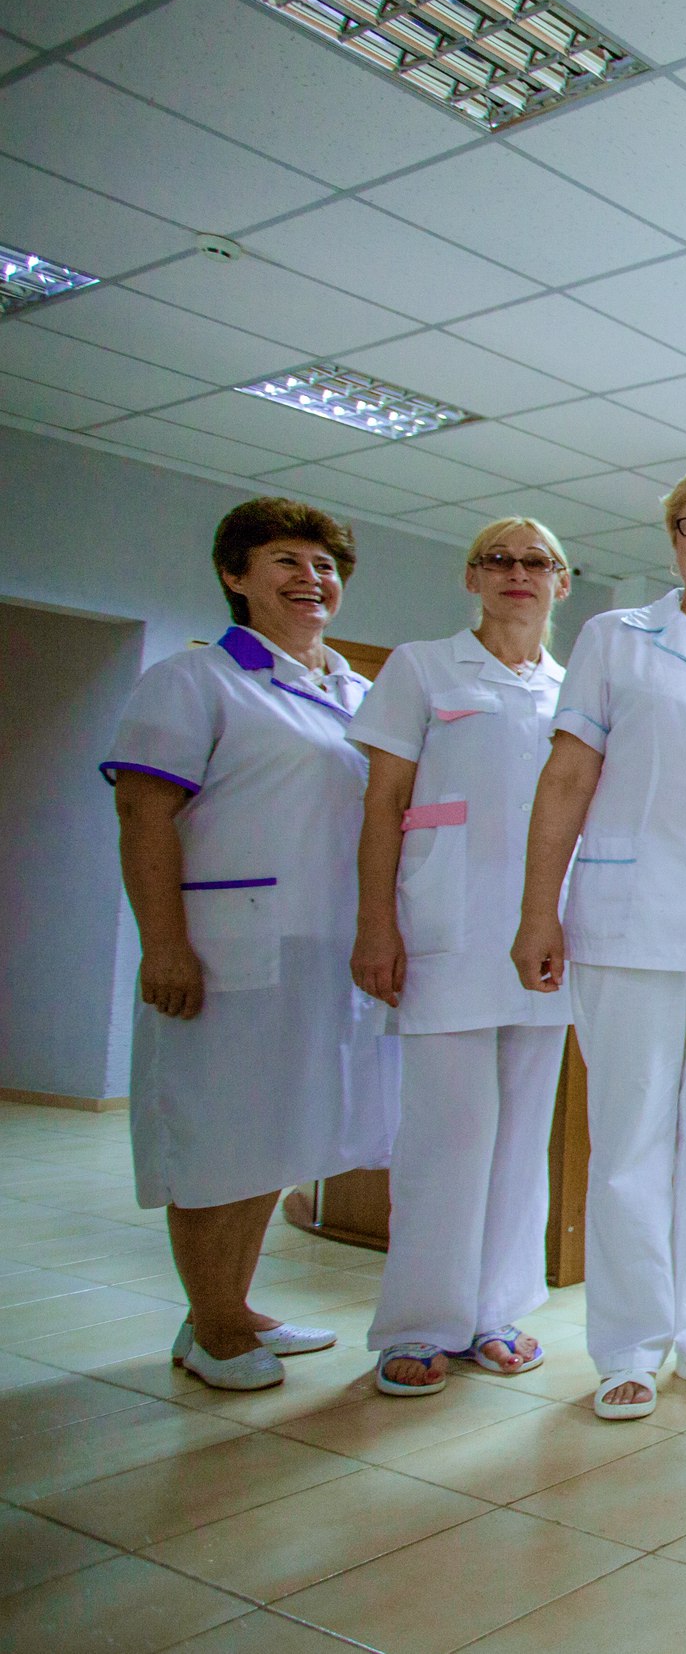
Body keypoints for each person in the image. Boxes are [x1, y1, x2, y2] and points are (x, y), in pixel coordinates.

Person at [513, 463, 686, 1422]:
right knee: (630, 1142)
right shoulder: (616, 640)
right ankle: (629, 1345)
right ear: (673, 540)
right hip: (629, 922)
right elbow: (566, 779)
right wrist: (538, 909)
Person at [102, 497, 393, 1391]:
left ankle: (228, 1303)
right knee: (215, 1134)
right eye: (286, 561)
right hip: (225, 950)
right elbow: (143, 814)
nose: (312, 579)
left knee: (275, 1132)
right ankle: (215, 1328)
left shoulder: (356, 694)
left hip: (318, 948)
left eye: (325, 566)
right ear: (235, 575)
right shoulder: (195, 681)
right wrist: (164, 946)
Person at [350, 518, 574, 1396]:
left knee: (521, 1135)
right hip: (442, 930)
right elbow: (382, 804)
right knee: (448, 1135)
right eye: (498, 560)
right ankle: (419, 1323)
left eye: (537, 562)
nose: (518, 573)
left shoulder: (572, 690)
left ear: (561, 582)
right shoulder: (421, 668)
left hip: (544, 936)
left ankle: (496, 1313)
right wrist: (376, 923)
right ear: (471, 578)